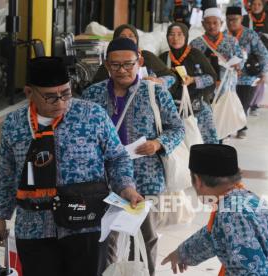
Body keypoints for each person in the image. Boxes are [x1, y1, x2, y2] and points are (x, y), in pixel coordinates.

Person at [0, 56, 144, 276]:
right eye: (51, 97)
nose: (61, 102)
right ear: (29, 93)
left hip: (86, 223)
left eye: (66, 93)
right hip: (34, 226)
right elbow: (6, 173)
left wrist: (126, 187)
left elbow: (117, 158)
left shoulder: (92, 115)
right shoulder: (14, 124)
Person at [82, 38, 185, 276]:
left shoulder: (155, 91)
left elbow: (177, 128)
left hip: (145, 176)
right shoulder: (92, 95)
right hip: (104, 178)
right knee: (104, 235)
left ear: (139, 61)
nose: (122, 71)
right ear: (107, 65)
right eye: (115, 65)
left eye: (128, 64)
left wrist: (158, 143)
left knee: (144, 236)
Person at [161, 144, 268, 275]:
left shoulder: (231, 214)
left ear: (198, 181)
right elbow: (215, 235)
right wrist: (182, 253)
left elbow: (252, 272)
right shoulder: (242, 197)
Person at [159, 22, 219, 144]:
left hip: (198, 108)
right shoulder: (163, 58)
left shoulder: (195, 54)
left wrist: (193, 80)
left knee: (208, 142)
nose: (175, 38)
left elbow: (211, 78)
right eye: (171, 34)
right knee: (179, 146)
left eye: (180, 34)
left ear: (186, 36)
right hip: (172, 111)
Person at [226, 6, 268, 138]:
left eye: (235, 19)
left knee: (243, 104)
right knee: (228, 104)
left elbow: (263, 53)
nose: (231, 22)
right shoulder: (222, 35)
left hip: (247, 77)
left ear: (241, 19)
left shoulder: (250, 35)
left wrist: (264, 72)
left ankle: (241, 127)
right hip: (227, 78)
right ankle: (227, 127)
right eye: (228, 20)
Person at [91, 24, 175, 87]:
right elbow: (95, 86)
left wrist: (159, 81)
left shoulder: (147, 57)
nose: (127, 39)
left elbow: (171, 76)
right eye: (122, 36)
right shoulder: (111, 59)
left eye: (131, 36)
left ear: (140, 62)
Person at [190, 7, 243, 93]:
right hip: (204, 87)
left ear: (221, 23)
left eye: (215, 23)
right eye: (208, 23)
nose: (212, 26)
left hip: (227, 86)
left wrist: (238, 65)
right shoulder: (195, 43)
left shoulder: (232, 41)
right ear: (203, 24)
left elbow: (240, 58)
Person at [243, 0, 268, 116]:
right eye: (254, 4)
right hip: (248, 54)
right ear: (250, 5)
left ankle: (255, 104)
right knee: (248, 77)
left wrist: (265, 35)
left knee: (260, 79)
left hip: (264, 53)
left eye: (259, 4)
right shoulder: (245, 18)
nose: (256, 7)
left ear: (263, 6)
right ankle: (246, 103)